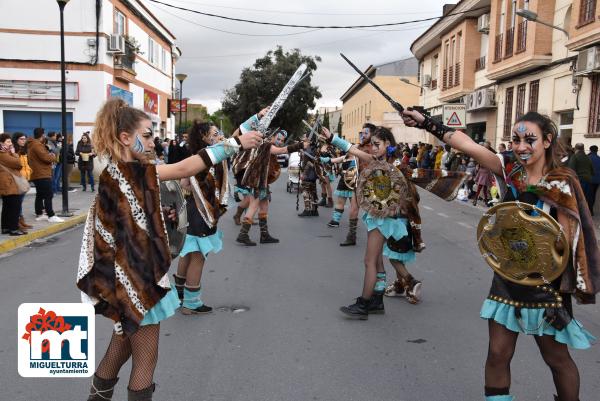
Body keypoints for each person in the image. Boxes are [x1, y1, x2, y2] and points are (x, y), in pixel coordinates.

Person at [402, 108, 599, 401]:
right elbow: (466, 144)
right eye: (516, 139)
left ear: (547, 140)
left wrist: (561, 289)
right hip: (507, 280)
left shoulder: (561, 183)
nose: (520, 146)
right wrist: (426, 122)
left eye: (529, 139)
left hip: (546, 286)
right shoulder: (510, 171)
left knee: (556, 359)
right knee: (497, 354)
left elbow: (571, 240)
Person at [77, 98, 261, 401]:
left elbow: (136, 218)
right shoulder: (127, 171)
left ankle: (96, 397)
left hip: (127, 278)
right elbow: (184, 167)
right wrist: (235, 143)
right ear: (125, 138)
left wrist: (164, 216)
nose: (153, 141)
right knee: (145, 362)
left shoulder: (126, 169)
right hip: (137, 282)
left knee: (120, 346)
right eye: (147, 135)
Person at [172, 122, 227, 315]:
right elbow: (185, 182)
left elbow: (184, 183)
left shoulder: (198, 155)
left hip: (191, 210)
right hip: (201, 212)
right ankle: (191, 303)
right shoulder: (206, 157)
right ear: (204, 136)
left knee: (188, 251)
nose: (219, 135)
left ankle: (179, 293)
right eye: (215, 133)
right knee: (198, 256)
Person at [232, 110, 306, 246]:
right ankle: (243, 234)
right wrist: (300, 145)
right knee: (254, 205)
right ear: (271, 137)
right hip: (257, 181)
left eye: (282, 140)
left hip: (260, 180)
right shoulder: (265, 144)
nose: (279, 142)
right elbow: (282, 151)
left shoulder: (260, 144)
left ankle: (264, 235)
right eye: (278, 139)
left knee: (264, 204)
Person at [27, 127, 63, 223]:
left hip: (37, 173)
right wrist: (53, 156)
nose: (45, 136)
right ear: (42, 135)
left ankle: (39, 213)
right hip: (42, 173)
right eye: (44, 134)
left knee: (40, 194)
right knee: (48, 194)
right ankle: (51, 215)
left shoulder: (33, 144)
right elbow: (46, 158)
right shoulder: (37, 145)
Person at [0, 133, 27, 235]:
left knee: (7, 206)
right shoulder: (3, 154)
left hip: (7, 182)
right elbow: (18, 164)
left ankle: (6, 228)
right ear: (1, 143)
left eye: (10, 141)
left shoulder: (4, 153)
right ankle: (13, 229)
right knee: (14, 206)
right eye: (8, 142)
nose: (10, 144)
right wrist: (14, 153)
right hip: (9, 183)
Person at [325, 151, 357, 227]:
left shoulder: (358, 158)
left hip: (354, 183)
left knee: (354, 206)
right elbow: (332, 160)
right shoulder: (344, 157)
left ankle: (353, 223)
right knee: (340, 202)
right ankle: (335, 221)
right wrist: (322, 159)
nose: (347, 151)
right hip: (343, 182)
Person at [12, 132, 33, 230]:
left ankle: (21, 220)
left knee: (20, 201)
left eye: (25, 139)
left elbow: (26, 164)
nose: (24, 141)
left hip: (25, 178)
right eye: (21, 139)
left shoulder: (24, 150)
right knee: (17, 202)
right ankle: (17, 221)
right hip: (17, 179)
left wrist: (29, 170)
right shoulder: (14, 151)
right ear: (16, 140)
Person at [568, 143, 595, 213]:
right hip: (588, 180)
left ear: (576, 149)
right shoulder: (588, 158)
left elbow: (571, 169)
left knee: (578, 197)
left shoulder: (575, 157)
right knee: (587, 197)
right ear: (583, 149)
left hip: (579, 180)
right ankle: (588, 211)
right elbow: (592, 170)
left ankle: (578, 212)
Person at [588, 145, 600, 215]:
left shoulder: (588, 158)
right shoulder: (599, 158)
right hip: (597, 181)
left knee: (589, 195)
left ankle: (590, 210)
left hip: (589, 180)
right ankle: (591, 209)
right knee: (593, 194)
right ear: (597, 150)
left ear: (590, 150)